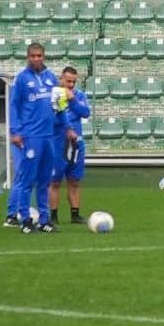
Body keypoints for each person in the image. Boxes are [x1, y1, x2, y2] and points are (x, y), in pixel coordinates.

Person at [5, 42, 58, 232]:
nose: (36, 59)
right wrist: (15, 131)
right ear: (28, 57)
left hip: (49, 136)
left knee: (44, 181)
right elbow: (14, 106)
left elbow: (58, 105)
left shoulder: (51, 77)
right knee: (27, 180)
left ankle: (44, 220)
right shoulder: (21, 78)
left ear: (44, 56)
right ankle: (25, 219)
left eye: (39, 56)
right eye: (33, 56)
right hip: (31, 136)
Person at [50, 66, 92, 224]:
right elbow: (50, 118)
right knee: (54, 181)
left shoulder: (79, 95)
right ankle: (53, 216)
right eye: (68, 81)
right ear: (61, 79)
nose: (71, 85)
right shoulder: (53, 95)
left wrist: (72, 99)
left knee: (74, 180)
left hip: (76, 144)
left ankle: (75, 214)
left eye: (74, 82)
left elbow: (85, 112)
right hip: (58, 143)